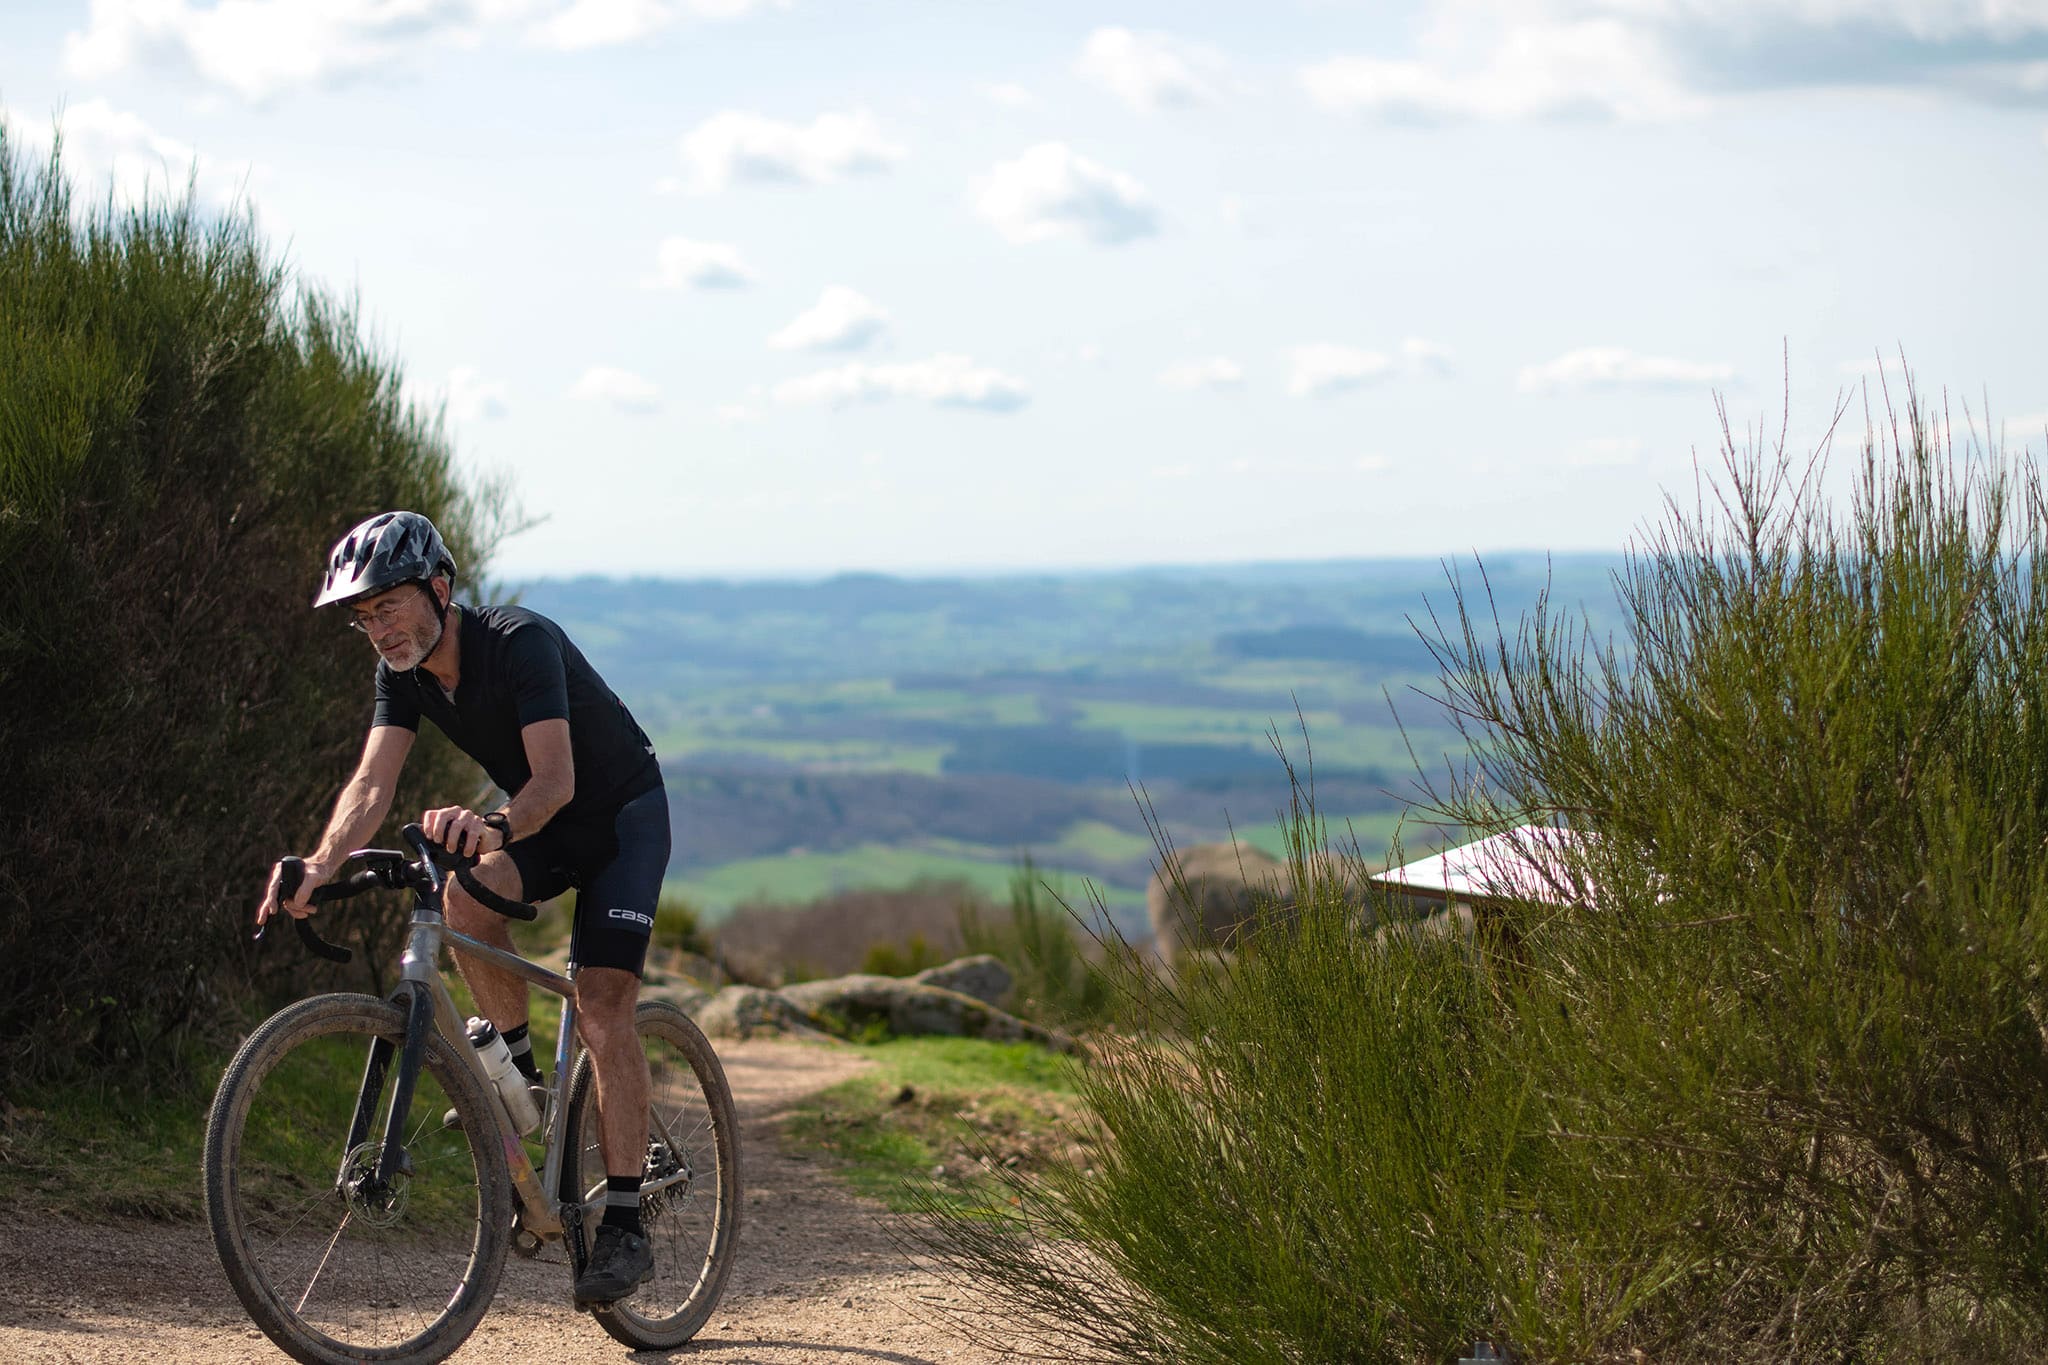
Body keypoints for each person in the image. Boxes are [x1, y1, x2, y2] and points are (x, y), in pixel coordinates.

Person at [255, 510, 669, 1305]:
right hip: (546, 824)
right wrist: (319, 862)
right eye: (364, 616)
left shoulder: (519, 642)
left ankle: (624, 1225)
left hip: (621, 818)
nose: (378, 629)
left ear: (440, 589)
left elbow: (556, 780)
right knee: (464, 898)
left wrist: (493, 826)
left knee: (602, 1010)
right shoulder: (403, 675)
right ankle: (522, 1077)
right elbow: (371, 784)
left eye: (388, 605)